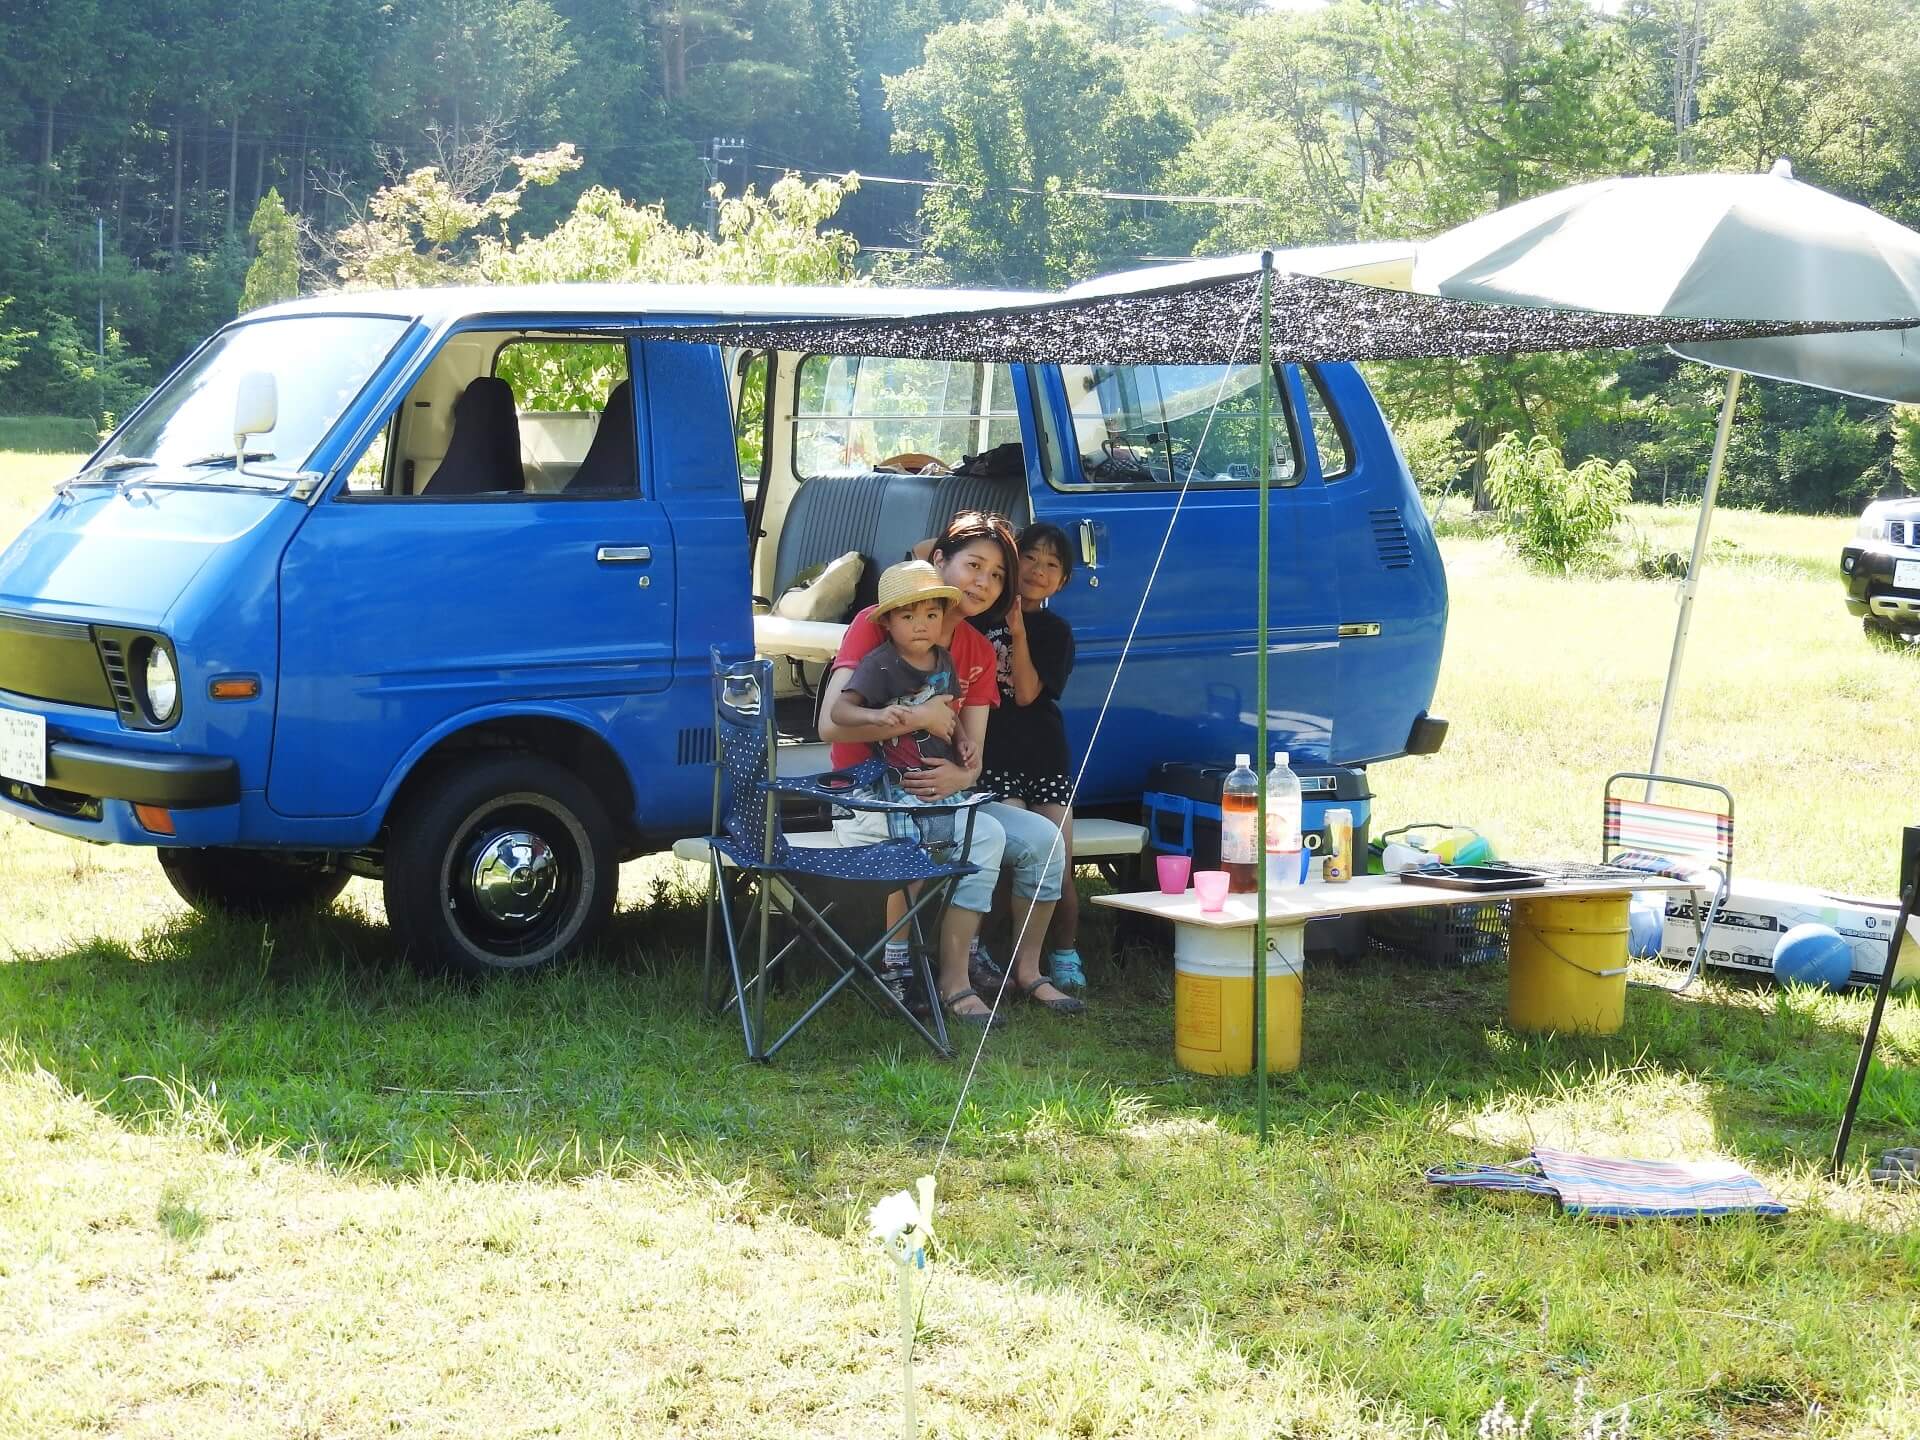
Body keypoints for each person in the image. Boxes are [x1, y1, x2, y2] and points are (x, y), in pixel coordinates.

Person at [820, 511, 1080, 1025]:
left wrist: (962, 775)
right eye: (974, 565)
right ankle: (952, 980)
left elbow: (972, 756)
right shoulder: (879, 622)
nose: (984, 582)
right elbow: (833, 726)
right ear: (938, 560)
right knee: (980, 835)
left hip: (944, 795)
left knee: (1046, 842)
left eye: (998, 574)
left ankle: (1027, 970)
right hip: (871, 795)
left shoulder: (978, 649)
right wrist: (916, 717)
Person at [970, 522, 1085, 990]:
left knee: (1060, 858)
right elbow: (925, 549)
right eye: (1029, 557)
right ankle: (995, 952)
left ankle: (1065, 951)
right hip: (995, 753)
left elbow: (1027, 694)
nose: (1038, 570)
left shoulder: (1055, 631)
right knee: (1004, 857)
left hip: (1043, 754)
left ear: (1063, 581)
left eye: (1051, 564)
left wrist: (1018, 633)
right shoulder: (976, 617)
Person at [827, 559, 967, 865]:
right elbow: (839, 711)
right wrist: (874, 716)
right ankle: (905, 908)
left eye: (932, 614)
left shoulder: (944, 660)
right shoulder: (880, 663)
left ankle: (931, 904)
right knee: (911, 849)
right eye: (908, 616)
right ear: (887, 622)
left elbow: (949, 709)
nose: (922, 625)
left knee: (953, 842)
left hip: (935, 780)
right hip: (895, 782)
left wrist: (963, 741)